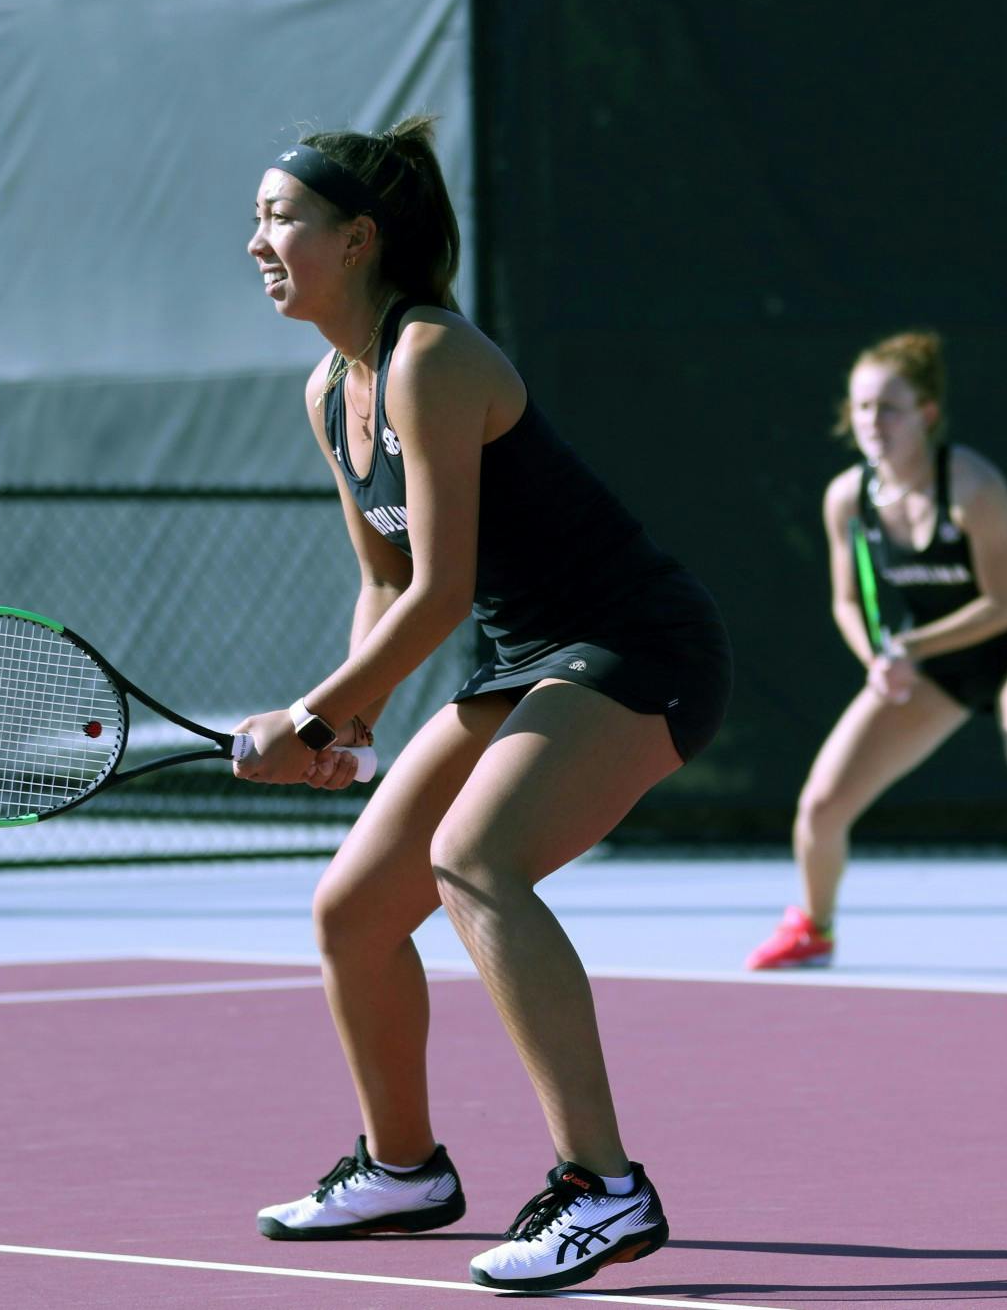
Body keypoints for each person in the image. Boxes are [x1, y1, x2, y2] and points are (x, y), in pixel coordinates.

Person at [235, 116, 730, 1293]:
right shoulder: (330, 388)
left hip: (633, 643)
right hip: (523, 659)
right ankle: (404, 1168)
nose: (257, 241)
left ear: (357, 240)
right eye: (257, 218)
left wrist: (306, 717)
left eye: (280, 218)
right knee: (353, 909)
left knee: (475, 860)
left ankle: (603, 1187)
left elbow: (444, 585)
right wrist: (347, 726)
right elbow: (387, 582)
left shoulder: (429, 357)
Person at [745, 331, 1007, 978]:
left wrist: (910, 645)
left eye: (890, 407)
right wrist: (878, 656)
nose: (873, 422)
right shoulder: (847, 497)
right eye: (862, 407)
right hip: (933, 669)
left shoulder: (975, 486)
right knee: (820, 804)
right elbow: (846, 600)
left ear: (927, 413)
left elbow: (1004, 604)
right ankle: (814, 927)